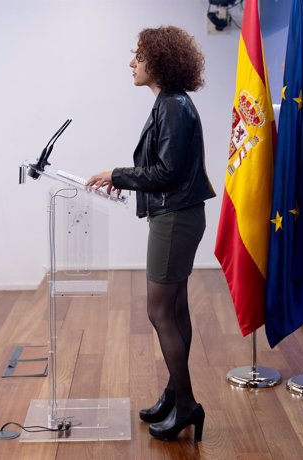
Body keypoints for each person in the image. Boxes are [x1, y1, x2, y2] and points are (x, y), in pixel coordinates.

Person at [86, 25, 215, 442]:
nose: (132, 63)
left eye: (138, 56)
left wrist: (116, 175)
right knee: (174, 310)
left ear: (157, 61)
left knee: (159, 312)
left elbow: (166, 172)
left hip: (175, 218)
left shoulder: (174, 107)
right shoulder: (169, 103)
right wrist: (121, 176)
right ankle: (175, 394)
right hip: (176, 216)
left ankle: (187, 405)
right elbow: (166, 168)